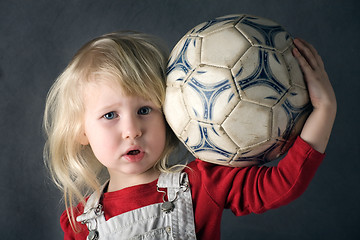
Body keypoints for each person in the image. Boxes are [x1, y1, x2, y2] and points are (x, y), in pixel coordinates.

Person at [43, 31, 336, 240]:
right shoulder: (81, 223)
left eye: (145, 109)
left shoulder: (201, 182)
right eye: (110, 115)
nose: (132, 130)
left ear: (171, 112)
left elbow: (281, 184)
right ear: (82, 130)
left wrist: (324, 111)